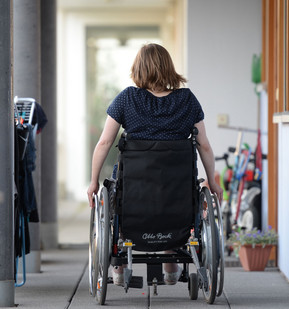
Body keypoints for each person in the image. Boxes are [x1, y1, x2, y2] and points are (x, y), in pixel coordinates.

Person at [86, 43, 223, 286]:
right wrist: (213, 181)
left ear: (139, 69)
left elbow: (105, 141)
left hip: (134, 189)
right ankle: (171, 263)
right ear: (168, 67)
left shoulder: (127, 98)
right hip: (176, 188)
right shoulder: (188, 100)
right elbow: (204, 146)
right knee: (176, 195)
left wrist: (93, 181)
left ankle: (120, 269)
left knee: (118, 196)